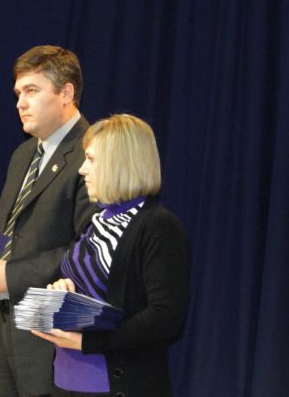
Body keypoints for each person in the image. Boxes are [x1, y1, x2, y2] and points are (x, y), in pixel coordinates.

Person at [0, 45, 97, 396]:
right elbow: (9, 232)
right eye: (18, 94)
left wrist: (11, 276)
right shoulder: (24, 154)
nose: (20, 104)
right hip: (0, 327)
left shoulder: (92, 153)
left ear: (66, 93)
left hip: (50, 334)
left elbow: (89, 249)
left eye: (31, 91)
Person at [31, 114, 191, 397]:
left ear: (121, 163)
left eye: (91, 159)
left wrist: (88, 343)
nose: (82, 169)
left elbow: (165, 316)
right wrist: (61, 291)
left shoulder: (158, 225)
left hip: (114, 385)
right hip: (66, 381)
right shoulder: (97, 219)